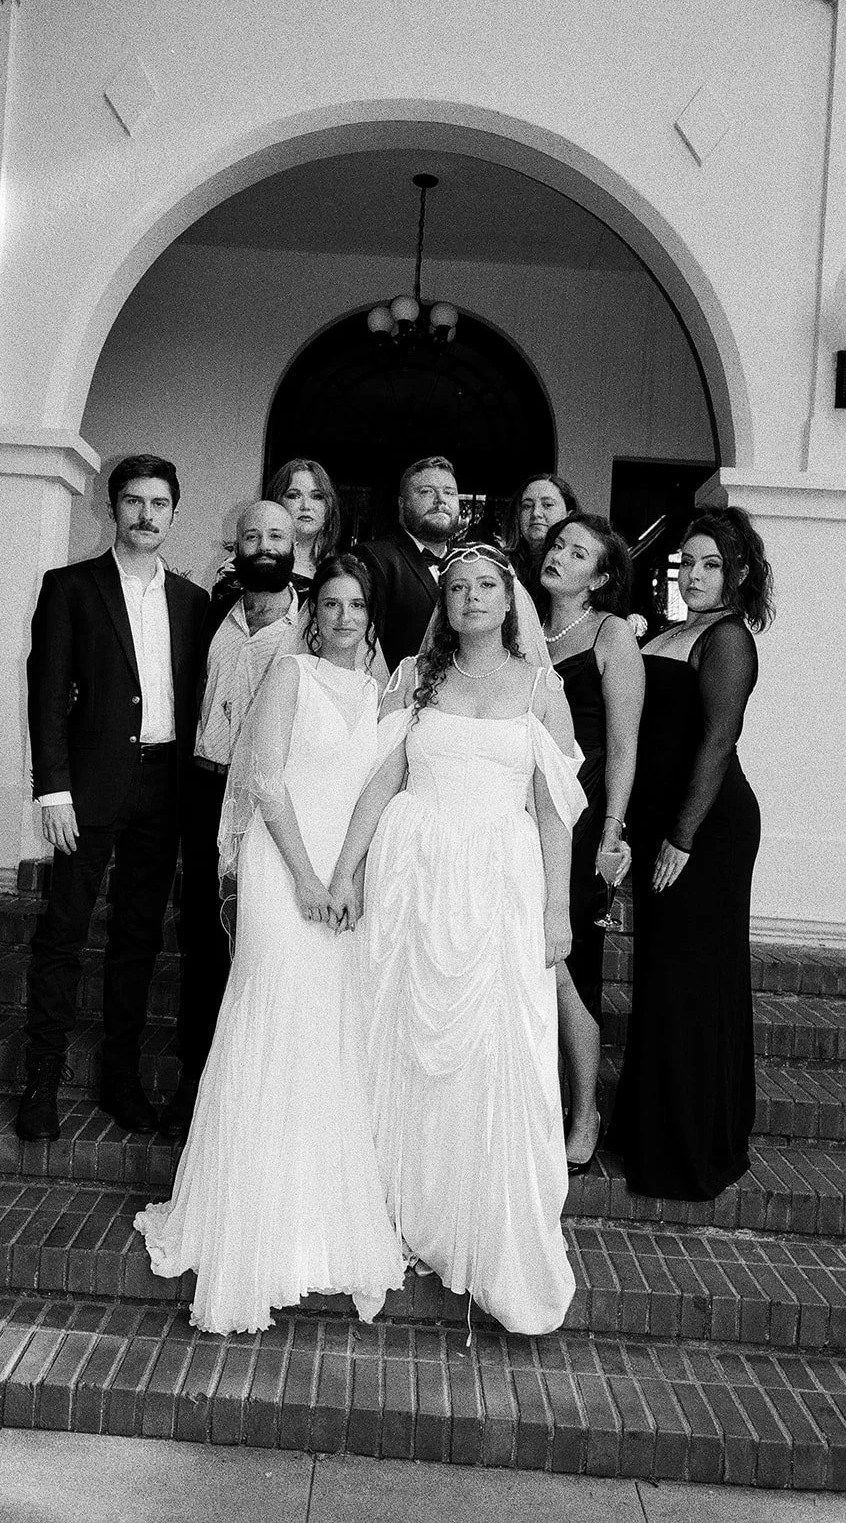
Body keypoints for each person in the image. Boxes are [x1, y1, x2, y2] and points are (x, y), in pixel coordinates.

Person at [135, 555, 403, 1334]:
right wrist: (308, 880)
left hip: (338, 876)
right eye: (331, 604)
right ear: (311, 613)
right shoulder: (290, 673)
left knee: (325, 1033)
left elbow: (376, 795)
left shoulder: (386, 700)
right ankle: (243, 1220)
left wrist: (346, 877)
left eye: (357, 605)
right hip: (280, 867)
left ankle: (312, 1219)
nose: (344, 616)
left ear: (371, 616)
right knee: (269, 1019)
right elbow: (263, 782)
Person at [328, 543, 587, 1336]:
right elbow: (376, 782)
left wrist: (556, 912)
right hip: (414, 883)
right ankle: (398, 1202)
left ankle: (482, 1221)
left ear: (510, 600)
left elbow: (551, 810)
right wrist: (344, 872)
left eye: (487, 586)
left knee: (493, 1046)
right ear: (443, 601)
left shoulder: (543, 688)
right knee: (402, 1039)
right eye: (458, 587)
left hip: (502, 889)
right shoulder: (415, 678)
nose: (473, 597)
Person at [16, 455, 209, 1142]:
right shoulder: (70, 587)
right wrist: (53, 789)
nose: (146, 514)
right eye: (133, 501)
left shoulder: (193, 602)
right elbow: (46, 695)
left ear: (174, 513)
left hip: (163, 788)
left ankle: (119, 1080)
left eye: (159, 502)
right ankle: (41, 1078)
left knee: (136, 940)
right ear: (112, 507)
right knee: (62, 932)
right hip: (88, 788)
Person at [609, 506, 774, 1200]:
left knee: (690, 984)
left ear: (736, 573)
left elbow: (716, 739)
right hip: (665, 827)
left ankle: (688, 1149)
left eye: (711, 564)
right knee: (664, 979)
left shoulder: (729, 638)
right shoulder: (677, 629)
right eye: (690, 562)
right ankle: (651, 1129)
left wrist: (680, 836)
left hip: (705, 832)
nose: (697, 574)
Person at [167, 499, 303, 1140]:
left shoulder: (315, 626)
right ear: (237, 545)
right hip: (202, 789)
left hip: (270, 806)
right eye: (254, 535)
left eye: (278, 533)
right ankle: (195, 1084)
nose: (266, 544)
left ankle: (253, 1098)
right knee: (202, 937)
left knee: (259, 942)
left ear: (298, 540)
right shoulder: (210, 612)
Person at [538, 514, 644, 1173]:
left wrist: (612, 834)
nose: (559, 555)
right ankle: (535, 1102)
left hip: (582, 822)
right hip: (518, 817)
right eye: (557, 544)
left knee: (567, 965)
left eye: (577, 553)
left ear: (600, 577)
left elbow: (626, 745)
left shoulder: (609, 636)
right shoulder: (521, 625)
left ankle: (584, 1110)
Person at [355, 457, 461, 669]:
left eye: (449, 492)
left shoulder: (470, 561)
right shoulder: (373, 558)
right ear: (402, 505)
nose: (440, 500)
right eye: (426, 491)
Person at [502, 473, 580, 615]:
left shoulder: (583, 567)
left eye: (547, 505)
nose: (536, 513)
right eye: (527, 506)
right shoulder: (502, 566)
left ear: (569, 515)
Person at [265, 458, 342, 591]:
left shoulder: (340, 571)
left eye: (317, 497)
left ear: (328, 507)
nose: (306, 506)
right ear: (276, 502)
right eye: (294, 496)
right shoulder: (247, 566)